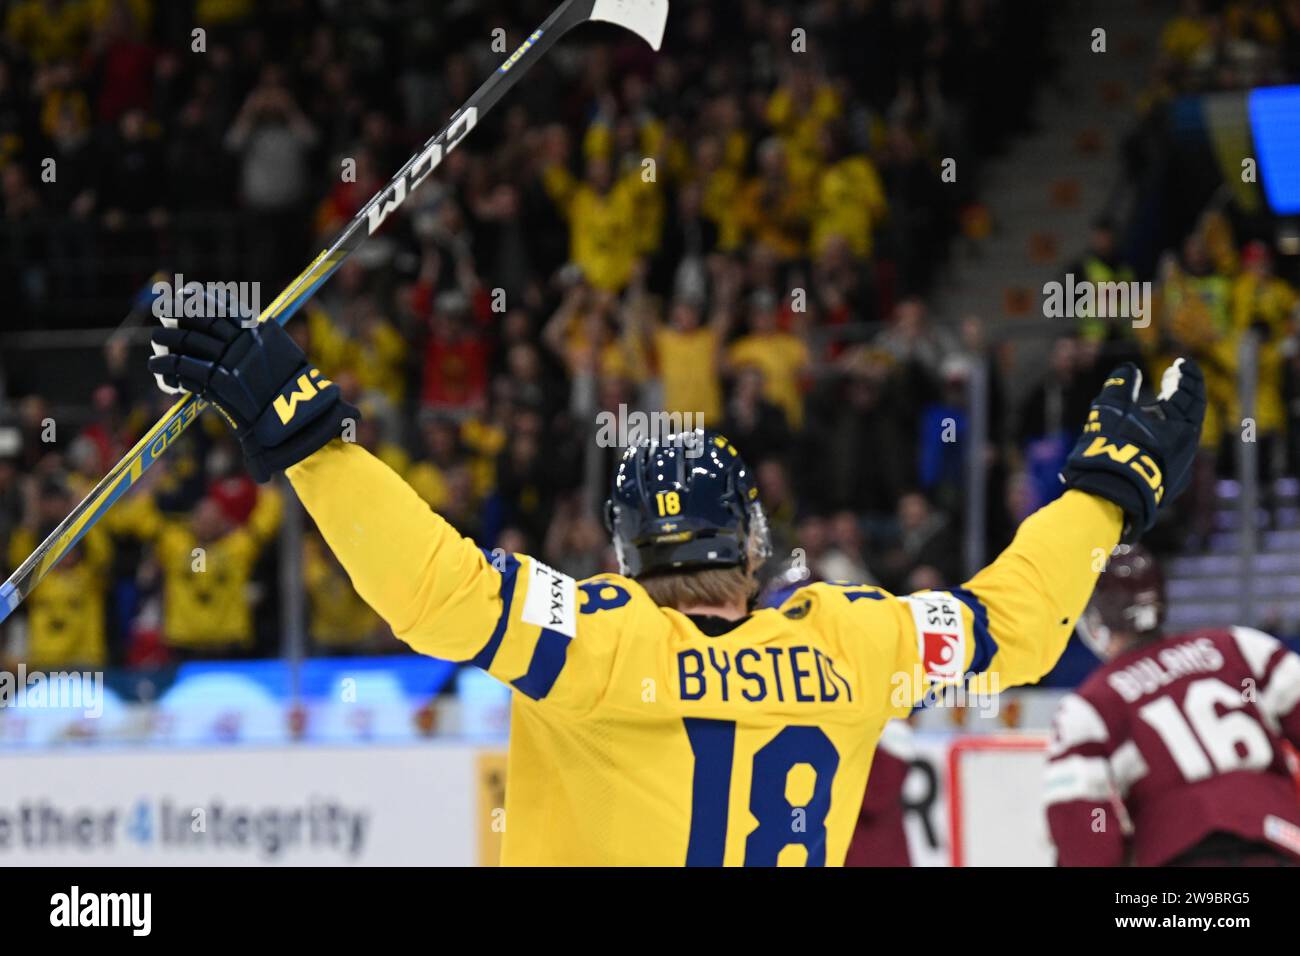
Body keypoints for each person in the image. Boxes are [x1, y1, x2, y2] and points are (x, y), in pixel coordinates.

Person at [147, 310, 1206, 866]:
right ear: (753, 537)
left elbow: (438, 593)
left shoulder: (601, 643)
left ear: (618, 555)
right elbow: (1010, 625)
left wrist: (308, 440)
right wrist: (1105, 496)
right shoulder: (852, 640)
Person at [1045, 545, 1300, 866]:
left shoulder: (1091, 706)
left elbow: (1083, 829)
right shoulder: (1239, 646)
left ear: (1095, 622)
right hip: (1275, 847)